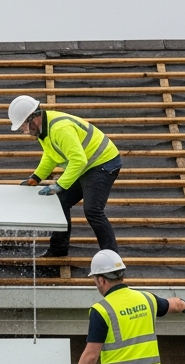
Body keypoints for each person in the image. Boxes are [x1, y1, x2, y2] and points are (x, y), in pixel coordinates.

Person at [8, 95, 122, 263]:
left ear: (35, 117)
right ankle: (58, 249)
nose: (25, 131)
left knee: (93, 211)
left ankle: (112, 259)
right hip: (86, 165)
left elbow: (79, 160)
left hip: (103, 163)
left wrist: (59, 185)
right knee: (60, 201)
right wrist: (36, 178)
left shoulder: (60, 128)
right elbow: (51, 155)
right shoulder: (44, 131)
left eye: (24, 125)